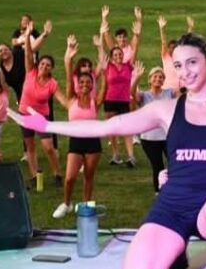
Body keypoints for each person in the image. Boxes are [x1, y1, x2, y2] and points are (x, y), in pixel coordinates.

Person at [10, 32, 206, 269]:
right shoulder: (166, 109)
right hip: (172, 206)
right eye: (178, 66)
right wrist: (47, 125)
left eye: (192, 63)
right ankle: (175, 248)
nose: (185, 72)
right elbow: (108, 126)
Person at [51, 35, 107, 219]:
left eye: (88, 83)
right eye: (81, 82)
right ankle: (66, 204)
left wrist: (105, 71)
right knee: (69, 178)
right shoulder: (71, 99)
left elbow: (104, 88)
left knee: (88, 177)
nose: (84, 85)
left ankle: (85, 205)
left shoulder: (94, 102)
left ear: (91, 85)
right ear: (77, 85)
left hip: (93, 143)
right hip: (76, 143)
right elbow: (68, 76)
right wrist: (69, 54)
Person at [18, 21, 61, 187]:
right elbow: (28, 54)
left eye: (48, 65)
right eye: (42, 63)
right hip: (24, 114)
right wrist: (28, 36)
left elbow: (61, 98)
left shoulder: (52, 83)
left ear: (51, 69)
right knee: (30, 146)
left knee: (48, 147)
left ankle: (57, 173)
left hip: (41, 116)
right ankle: (34, 175)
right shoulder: (31, 72)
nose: (44, 66)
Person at [99, 22, 137, 167]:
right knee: (112, 128)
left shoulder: (128, 65)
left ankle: (131, 156)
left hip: (124, 101)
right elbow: (101, 53)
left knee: (127, 128)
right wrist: (101, 39)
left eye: (120, 54)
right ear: (112, 56)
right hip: (110, 100)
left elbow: (134, 49)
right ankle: (115, 155)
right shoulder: (108, 66)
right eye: (115, 54)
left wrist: (136, 35)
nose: (118, 56)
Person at [136, 65, 176, 195]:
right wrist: (136, 78)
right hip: (149, 138)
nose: (158, 79)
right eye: (155, 76)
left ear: (164, 81)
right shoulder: (144, 96)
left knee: (174, 163)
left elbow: (184, 94)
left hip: (167, 136)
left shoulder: (169, 93)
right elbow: (131, 94)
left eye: (161, 77)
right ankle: (159, 192)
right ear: (150, 80)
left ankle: (173, 188)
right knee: (158, 166)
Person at [156, 15, 194, 92]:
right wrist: (162, 29)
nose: (172, 49)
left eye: (174, 47)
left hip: (182, 90)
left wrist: (190, 28)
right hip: (167, 90)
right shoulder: (165, 57)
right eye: (170, 47)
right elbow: (163, 42)